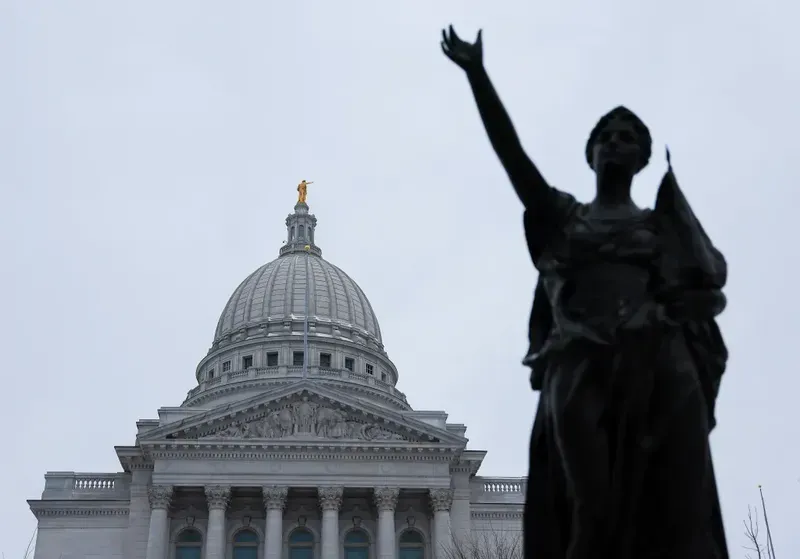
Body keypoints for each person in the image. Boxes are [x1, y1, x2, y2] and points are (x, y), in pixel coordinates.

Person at [441, 25, 729, 559]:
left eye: (629, 136)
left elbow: (708, 286)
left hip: (660, 365)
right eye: (607, 135)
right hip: (582, 366)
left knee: (679, 515)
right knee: (587, 515)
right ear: (590, 152)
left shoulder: (662, 224)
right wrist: (478, 76)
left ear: (643, 156)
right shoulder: (566, 218)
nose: (616, 142)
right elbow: (515, 161)